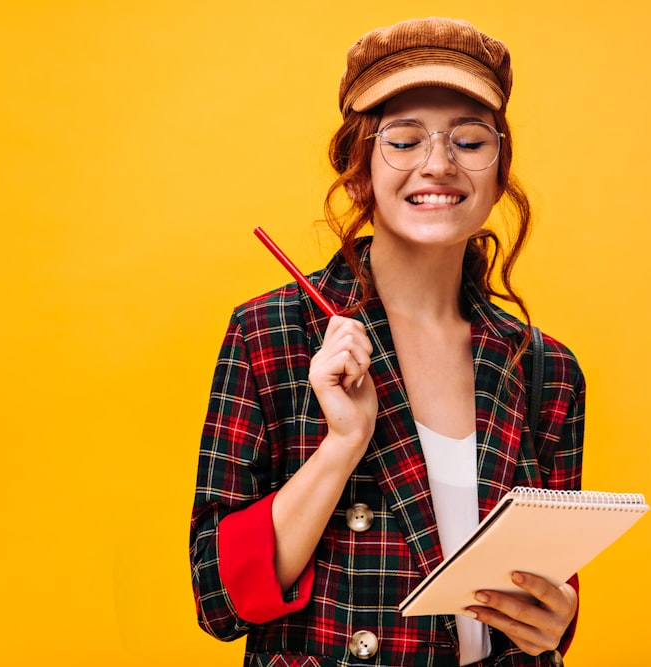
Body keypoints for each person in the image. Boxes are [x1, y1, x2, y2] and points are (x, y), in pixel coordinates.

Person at [190, 17, 585, 667]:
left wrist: (555, 619)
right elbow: (218, 598)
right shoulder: (270, 334)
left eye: (468, 139)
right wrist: (341, 446)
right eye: (403, 140)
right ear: (358, 169)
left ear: (498, 170)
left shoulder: (546, 367)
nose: (439, 163)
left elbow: (545, 578)